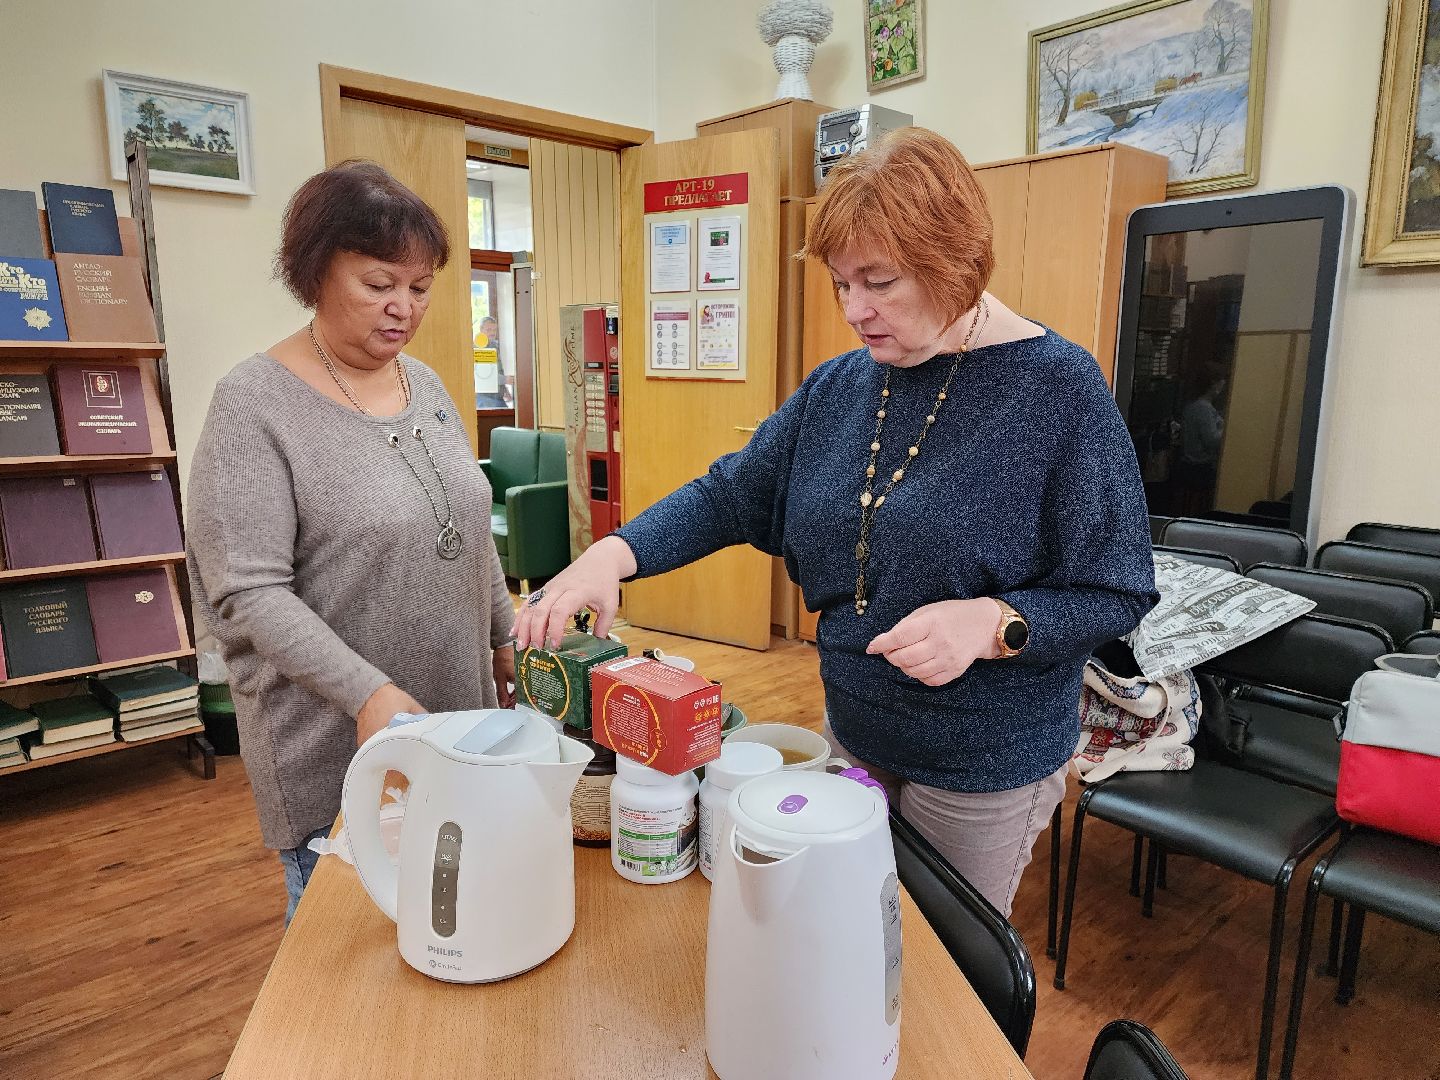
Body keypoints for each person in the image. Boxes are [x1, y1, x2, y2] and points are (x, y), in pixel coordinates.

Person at [515, 128, 1157, 917]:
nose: (856, 310)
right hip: (854, 732)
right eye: (841, 284)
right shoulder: (842, 387)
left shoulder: (1058, 390)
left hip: (984, 761)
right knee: (850, 935)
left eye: (879, 282)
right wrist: (612, 554)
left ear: (953, 260)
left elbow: (1116, 588)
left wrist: (995, 623)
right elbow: (729, 495)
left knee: (940, 977)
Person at [187, 161, 516, 925]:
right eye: (379, 284)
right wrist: (367, 694)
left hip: (452, 725)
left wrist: (502, 633)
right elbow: (246, 592)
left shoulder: (425, 385)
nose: (404, 308)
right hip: (332, 746)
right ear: (315, 272)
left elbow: (465, 521)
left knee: (451, 922)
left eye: (421, 287)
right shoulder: (252, 405)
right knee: (350, 971)